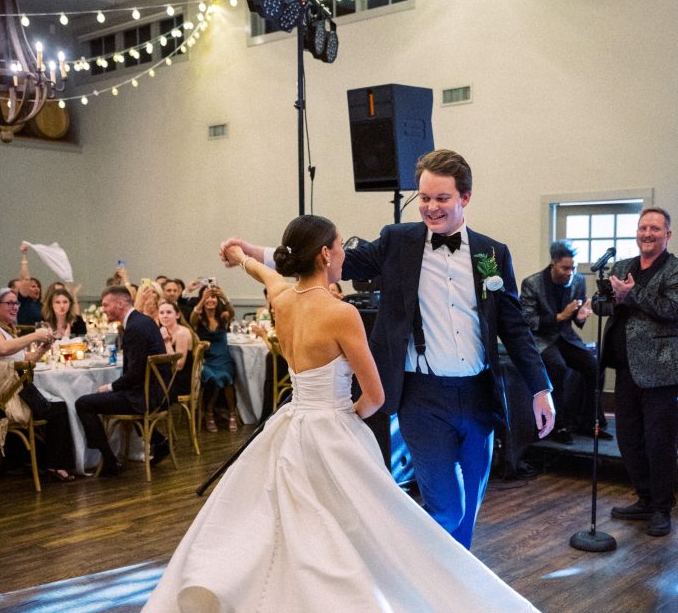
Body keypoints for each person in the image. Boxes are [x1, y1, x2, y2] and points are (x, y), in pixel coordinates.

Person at [77, 214, 572, 613]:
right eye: (339, 249)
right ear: (328, 254)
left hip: (289, 430)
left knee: (272, 548)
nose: (344, 256)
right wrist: (348, 419)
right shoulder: (340, 314)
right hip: (331, 430)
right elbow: (376, 396)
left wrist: (242, 255)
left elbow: (268, 272)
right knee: (365, 545)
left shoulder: (283, 298)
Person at [223, 150, 554, 548]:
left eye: (441, 199)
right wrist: (253, 252)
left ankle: (455, 592)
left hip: (479, 395)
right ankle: (428, 579)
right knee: (446, 506)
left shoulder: (492, 253)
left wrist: (541, 388)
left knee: (469, 509)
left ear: (465, 197)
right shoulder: (399, 242)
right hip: (422, 397)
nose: (430, 208)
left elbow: (515, 327)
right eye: (425, 198)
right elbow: (328, 261)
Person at [602, 207, 678, 537]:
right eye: (642, 227)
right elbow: (606, 304)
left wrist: (631, 296)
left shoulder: (674, 270)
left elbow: (672, 309)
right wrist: (604, 298)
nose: (647, 233)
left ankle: (662, 508)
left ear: (667, 235)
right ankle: (644, 498)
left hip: (661, 371)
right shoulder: (622, 267)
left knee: (659, 441)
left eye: (655, 229)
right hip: (625, 369)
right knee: (629, 438)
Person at [520, 240, 611, 444]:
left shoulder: (578, 281)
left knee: (594, 366)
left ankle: (589, 422)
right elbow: (526, 320)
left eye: (573, 267)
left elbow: (575, 317)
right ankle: (558, 425)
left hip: (565, 337)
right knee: (557, 367)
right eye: (565, 268)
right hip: (541, 339)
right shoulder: (532, 283)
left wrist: (580, 316)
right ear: (553, 264)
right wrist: (560, 316)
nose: (570, 272)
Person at [74, 286, 167, 476]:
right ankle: (158, 441)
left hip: (143, 398)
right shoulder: (144, 321)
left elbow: (135, 374)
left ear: (120, 303)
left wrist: (110, 386)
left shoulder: (134, 328)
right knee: (112, 394)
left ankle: (109, 460)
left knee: (83, 403)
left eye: (106, 305)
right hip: (157, 392)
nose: (104, 309)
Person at [0, 286, 76, 481]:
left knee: (58, 404)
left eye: (16, 303)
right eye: (9, 303)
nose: (15, 307)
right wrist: (35, 335)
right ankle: (54, 465)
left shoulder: (8, 330)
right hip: (6, 396)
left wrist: (42, 349)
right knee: (59, 409)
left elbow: (25, 361)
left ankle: (37, 461)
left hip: (17, 388)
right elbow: (2, 349)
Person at [190, 284, 237, 433]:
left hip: (223, 359)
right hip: (207, 361)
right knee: (213, 379)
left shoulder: (223, 317)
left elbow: (232, 312)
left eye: (213, 297)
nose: (210, 300)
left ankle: (231, 413)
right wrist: (203, 299)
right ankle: (209, 413)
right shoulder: (199, 319)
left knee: (227, 377)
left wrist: (223, 296)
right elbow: (191, 318)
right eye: (207, 297)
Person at [158, 300, 193, 396]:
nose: (165, 316)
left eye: (169, 312)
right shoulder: (162, 330)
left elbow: (178, 366)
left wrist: (166, 341)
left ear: (177, 315)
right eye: (161, 313)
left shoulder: (182, 333)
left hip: (179, 381)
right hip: (167, 377)